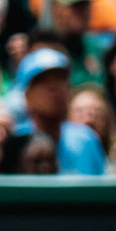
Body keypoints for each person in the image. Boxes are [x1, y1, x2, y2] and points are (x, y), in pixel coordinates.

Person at [12, 48, 107, 176]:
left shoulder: (86, 138)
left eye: (60, 79)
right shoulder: (17, 141)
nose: (54, 88)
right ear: (27, 96)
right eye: (43, 81)